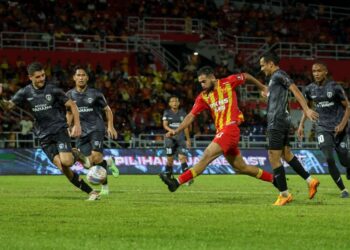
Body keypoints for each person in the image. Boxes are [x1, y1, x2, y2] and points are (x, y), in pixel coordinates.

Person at [159, 66, 277, 195]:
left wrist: (262, 87)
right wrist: (176, 131)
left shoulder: (228, 82)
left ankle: (176, 183)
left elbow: (246, 75)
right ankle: (275, 180)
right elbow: (190, 116)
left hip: (230, 128)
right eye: (200, 83)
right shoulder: (203, 97)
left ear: (212, 77)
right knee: (241, 168)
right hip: (223, 132)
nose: (202, 85)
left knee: (206, 156)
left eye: (204, 81)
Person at [0, 62, 100, 200]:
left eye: (43, 75)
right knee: (63, 168)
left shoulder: (53, 90)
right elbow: (8, 106)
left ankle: (75, 154)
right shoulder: (25, 92)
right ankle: (91, 192)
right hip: (43, 136)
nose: (41, 79)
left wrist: (77, 125)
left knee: (67, 162)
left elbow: (72, 105)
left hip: (59, 130)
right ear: (30, 77)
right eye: (38, 77)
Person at [259, 52, 320, 206]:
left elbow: (295, 90)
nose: (262, 68)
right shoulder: (274, 80)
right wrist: (267, 96)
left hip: (277, 121)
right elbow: (280, 99)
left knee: (273, 156)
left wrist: (306, 109)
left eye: (263, 65)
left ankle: (284, 194)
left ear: (271, 64)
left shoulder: (279, 75)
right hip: (283, 120)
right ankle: (310, 180)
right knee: (286, 154)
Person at [297, 62, 350, 198]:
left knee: (344, 160)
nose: (316, 74)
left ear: (325, 72)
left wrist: (343, 125)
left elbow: (348, 106)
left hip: (340, 129)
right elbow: (307, 108)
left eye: (319, 71)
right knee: (329, 158)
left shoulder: (335, 87)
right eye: (314, 71)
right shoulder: (310, 89)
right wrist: (301, 124)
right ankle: (343, 190)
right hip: (322, 128)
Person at [66, 66, 120, 196]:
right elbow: (69, 112)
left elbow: (107, 110)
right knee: (88, 164)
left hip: (96, 128)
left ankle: (105, 187)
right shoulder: (69, 95)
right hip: (80, 131)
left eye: (83, 75)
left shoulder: (95, 94)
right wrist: (67, 126)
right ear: (74, 78)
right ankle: (109, 162)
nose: (81, 77)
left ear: (87, 78)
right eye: (78, 75)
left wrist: (110, 126)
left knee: (96, 157)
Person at [162, 96, 192, 184]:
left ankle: (187, 179)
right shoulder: (166, 112)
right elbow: (165, 125)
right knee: (170, 160)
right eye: (172, 101)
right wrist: (172, 131)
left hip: (181, 139)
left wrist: (188, 139)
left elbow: (185, 127)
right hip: (170, 139)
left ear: (179, 103)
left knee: (182, 157)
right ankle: (168, 176)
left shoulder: (183, 113)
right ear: (169, 104)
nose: (174, 103)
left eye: (176, 101)